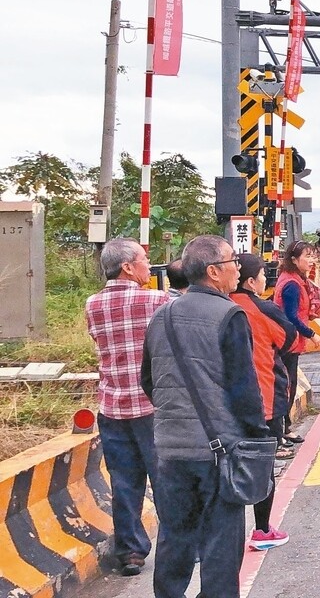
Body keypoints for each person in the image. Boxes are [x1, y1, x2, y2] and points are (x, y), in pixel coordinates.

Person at [141, 236, 270, 598]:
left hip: (169, 450)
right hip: (218, 451)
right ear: (214, 271)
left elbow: (148, 381)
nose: (238, 268)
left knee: (175, 535)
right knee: (221, 543)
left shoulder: (161, 315)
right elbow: (243, 389)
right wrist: (258, 437)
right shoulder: (230, 315)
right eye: (232, 262)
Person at [84, 238, 168, 577]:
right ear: (128, 267)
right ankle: (177, 544)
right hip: (150, 405)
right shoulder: (156, 300)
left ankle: (131, 552)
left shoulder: (92, 303)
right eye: (145, 260)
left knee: (124, 481)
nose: (149, 266)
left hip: (112, 405)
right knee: (165, 479)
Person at [230, 252, 308, 551]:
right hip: (263, 398)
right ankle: (262, 529)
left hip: (223, 404)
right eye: (263, 274)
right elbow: (288, 340)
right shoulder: (262, 309)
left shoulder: (217, 307)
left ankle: (224, 533)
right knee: (263, 467)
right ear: (250, 281)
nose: (266, 280)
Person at [271, 240, 320, 444]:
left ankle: (284, 428)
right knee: (287, 385)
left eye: (313, 256)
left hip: (290, 339)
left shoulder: (293, 279)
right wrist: (312, 334)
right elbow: (291, 316)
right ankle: (283, 429)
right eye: (307, 256)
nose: (311, 261)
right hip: (288, 340)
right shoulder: (292, 284)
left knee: (288, 383)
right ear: (294, 260)